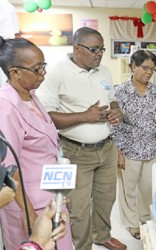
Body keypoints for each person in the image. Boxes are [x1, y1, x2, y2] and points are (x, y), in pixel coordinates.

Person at [36, 27, 126, 250]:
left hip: (107, 148)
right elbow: (47, 117)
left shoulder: (104, 71)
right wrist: (85, 116)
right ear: (77, 48)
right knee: (79, 207)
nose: (99, 54)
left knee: (106, 200)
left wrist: (116, 110)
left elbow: (112, 97)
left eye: (102, 49)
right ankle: (82, 246)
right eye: (94, 49)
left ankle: (102, 236)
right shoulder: (57, 73)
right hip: (75, 152)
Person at [0, 36, 73, 250]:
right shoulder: (6, 108)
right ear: (15, 72)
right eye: (37, 68)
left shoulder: (30, 95)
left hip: (48, 194)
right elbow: (9, 170)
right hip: (27, 203)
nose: (44, 73)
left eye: (44, 66)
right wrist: (29, 214)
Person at [112, 50, 156, 240]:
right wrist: (118, 150)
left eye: (152, 69)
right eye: (145, 68)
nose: (149, 72)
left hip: (152, 148)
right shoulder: (120, 92)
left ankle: (145, 218)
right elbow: (113, 124)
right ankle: (132, 224)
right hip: (129, 149)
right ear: (133, 66)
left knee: (148, 187)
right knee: (129, 189)